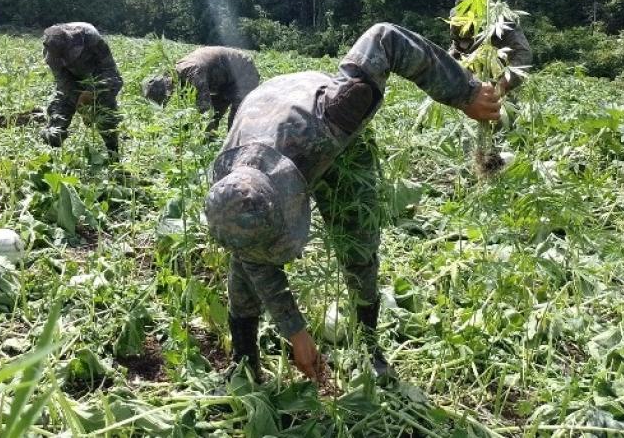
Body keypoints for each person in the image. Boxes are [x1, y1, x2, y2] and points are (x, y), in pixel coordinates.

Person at [204, 23, 501, 383]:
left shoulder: (338, 111)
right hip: (263, 114)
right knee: (247, 249)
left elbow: (386, 38)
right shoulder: (231, 188)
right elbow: (253, 256)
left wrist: (465, 92)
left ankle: (370, 349)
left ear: (287, 199)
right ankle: (243, 360)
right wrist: (297, 332)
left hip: (327, 138)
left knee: (357, 241)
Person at [40, 22, 123, 160]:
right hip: (73, 78)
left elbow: (110, 73)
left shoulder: (90, 37)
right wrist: (82, 106)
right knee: (58, 111)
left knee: (105, 110)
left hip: (98, 74)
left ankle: (113, 154)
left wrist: (92, 94)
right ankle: (51, 158)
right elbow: (64, 84)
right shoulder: (50, 52)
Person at [141, 46, 260, 133]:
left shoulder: (193, 73)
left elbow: (204, 109)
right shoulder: (176, 74)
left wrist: (187, 135)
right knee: (215, 116)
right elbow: (188, 108)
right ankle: (210, 144)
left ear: (166, 89)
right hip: (223, 80)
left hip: (244, 72)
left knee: (237, 120)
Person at [448, 0, 533, 93]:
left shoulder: (502, 21)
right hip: (467, 89)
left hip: (499, 84)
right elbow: (455, 50)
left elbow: (523, 54)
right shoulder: (458, 23)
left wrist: (502, 85)